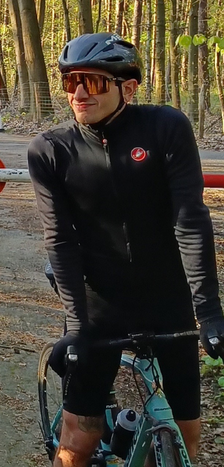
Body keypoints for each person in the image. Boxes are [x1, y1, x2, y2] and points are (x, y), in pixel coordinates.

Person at [27, 32, 224, 467]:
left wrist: (209, 314)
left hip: (167, 298)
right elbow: (60, 239)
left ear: (127, 88)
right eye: (70, 81)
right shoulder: (50, 150)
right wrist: (77, 327)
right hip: (99, 304)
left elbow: (190, 220)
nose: (79, 92)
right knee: (79, 441)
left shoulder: (166, 127)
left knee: (187, 439)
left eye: (93, 82)